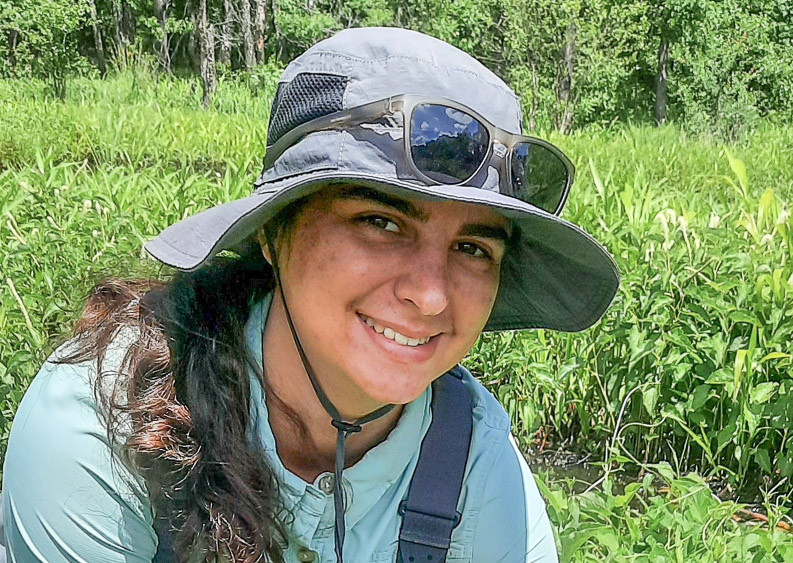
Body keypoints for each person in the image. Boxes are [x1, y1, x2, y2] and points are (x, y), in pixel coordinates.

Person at [0, 27, 619, 562]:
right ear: (274, 231)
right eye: (381, 223)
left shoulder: (471, 455)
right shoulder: (105, 423)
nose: (431, 295)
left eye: (474, 249)